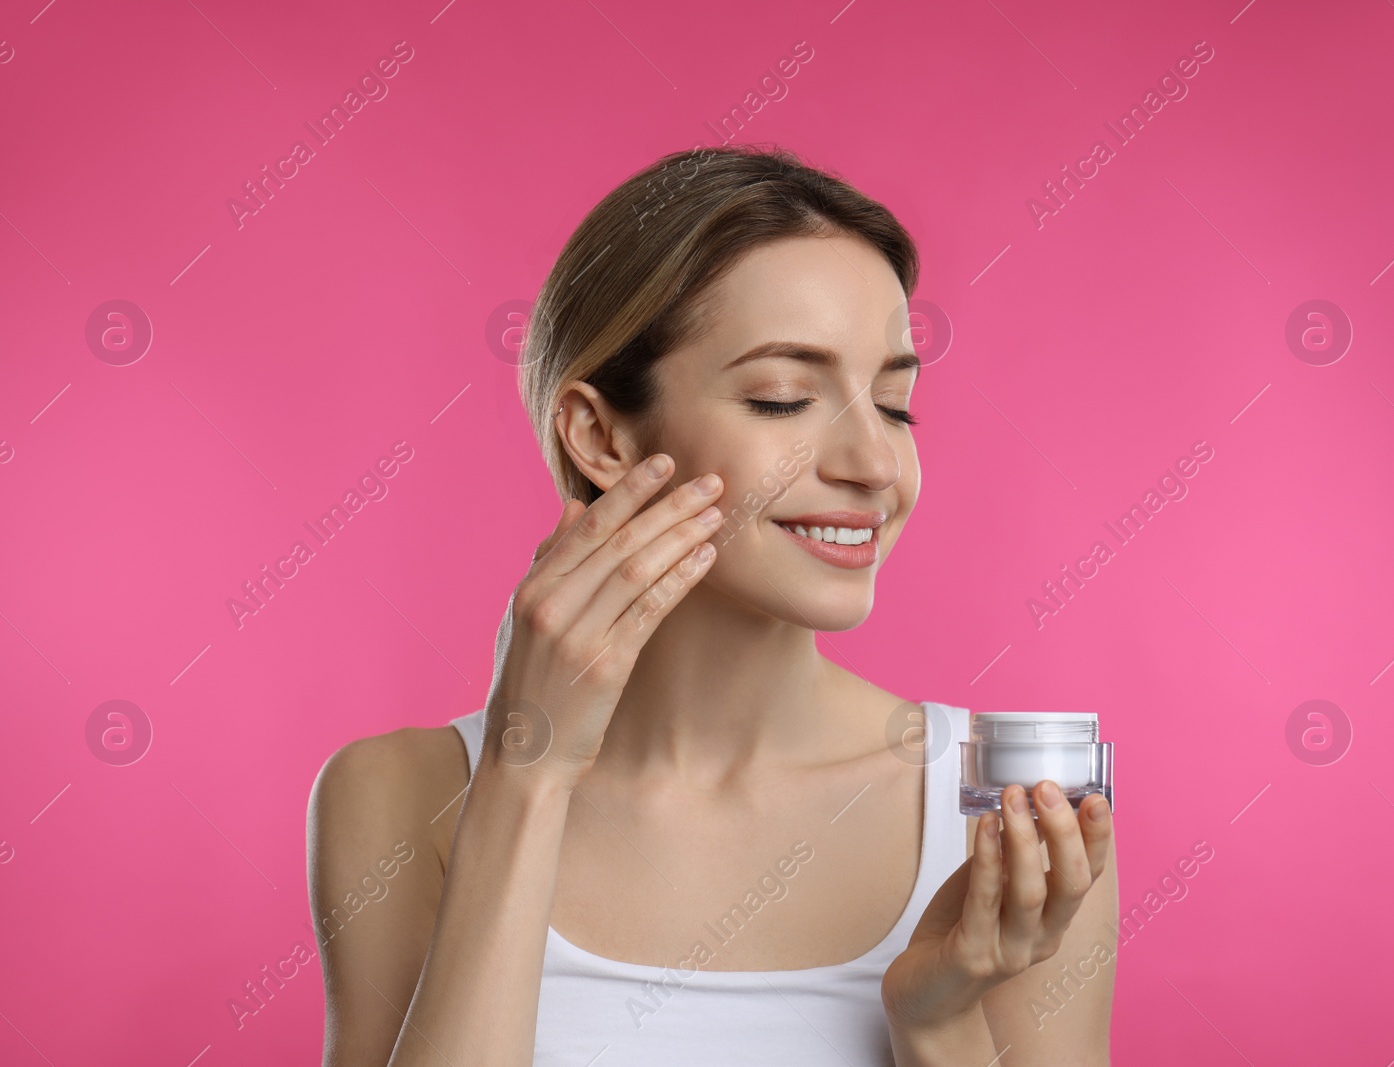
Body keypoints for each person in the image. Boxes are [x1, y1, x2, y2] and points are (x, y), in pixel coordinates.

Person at [306, 143, 1117, 1066]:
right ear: (601, 434)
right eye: (783, 399)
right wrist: (525, 773)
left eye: (896, 405)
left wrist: (936, 1019)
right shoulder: (396, 794)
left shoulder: (1018, 798)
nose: (875, 465)